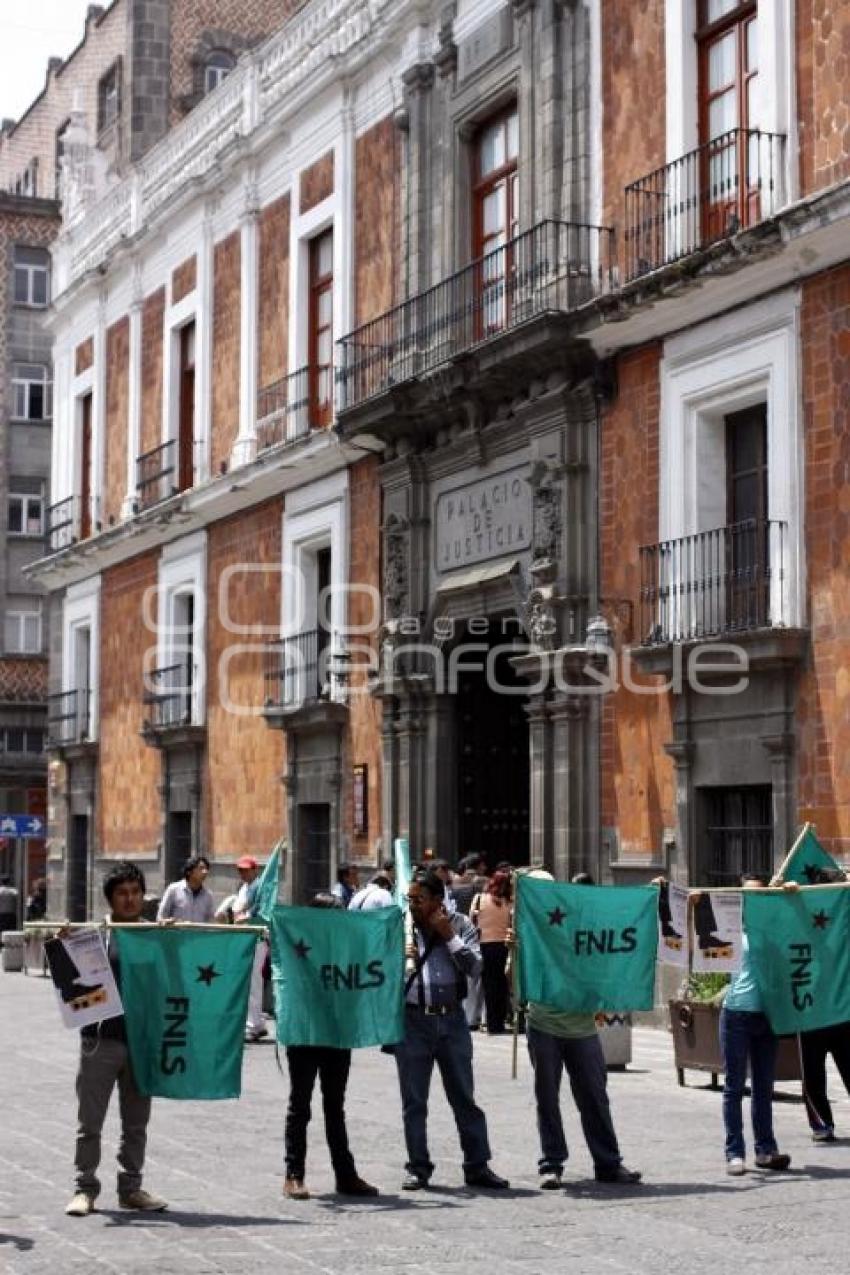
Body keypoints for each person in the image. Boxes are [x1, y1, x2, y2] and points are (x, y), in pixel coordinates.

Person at [521, 870, 641, 1188]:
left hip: (582, 1026)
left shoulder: (580, 925)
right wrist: (514, 953)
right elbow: (515, 988)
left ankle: (608, 1163)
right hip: (544, 1024)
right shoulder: (526, 932)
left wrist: (652, 892)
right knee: (547, 1098)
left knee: (595, 1096)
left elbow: (611, 941)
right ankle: (551, 1163)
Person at [394, 869, 509, 1192]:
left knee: (464, 1096)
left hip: (452, 1020)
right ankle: (418, 1166)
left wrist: (448, 936)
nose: (413, 905)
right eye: (409, 899)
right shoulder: (398, 927)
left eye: (419, 899)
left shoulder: (459, 924)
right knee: (414, 1100)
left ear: (435, 900)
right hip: (413, 1021)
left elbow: (475, 968)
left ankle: (477, 1164)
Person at [65, 861, 167, 1216]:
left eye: (136, 892)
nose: (130, 899)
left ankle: (131, 1188)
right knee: (90, 1122)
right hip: (100, 1042)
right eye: (122, 893)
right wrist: (65, 949)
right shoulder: (92, 937)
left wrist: (171, 940)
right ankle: (85, 1188)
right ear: (110, 899)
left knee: (136, 1122)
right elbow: (72, 991)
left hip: (141, 1042)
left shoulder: (154, 934)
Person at [284, 892, 379, 1200]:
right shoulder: (297, 946)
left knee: (334, 1106)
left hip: (337, 1033)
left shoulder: (347, 949)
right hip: (306, 1034)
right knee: (300, 1106)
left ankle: (345, 1174)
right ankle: (293, 1175)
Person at [719, 873, 791, 1176]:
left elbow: (802, 927)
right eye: (748, 895)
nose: (753, 899)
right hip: (736, 1015)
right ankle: (735, 1153)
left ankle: (765, 1150)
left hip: (767, 1017)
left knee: (763, 1087)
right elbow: (691, 928)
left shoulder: (776, 931)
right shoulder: (730, 929)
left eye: (760, 894)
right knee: (734, 1086)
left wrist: (790, 895)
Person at [794, 865, 850, 1142]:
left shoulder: (843, 919)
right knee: (813, 1074)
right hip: (811, 1011)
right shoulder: (799, 915)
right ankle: (821, 1124)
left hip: (840, 1009)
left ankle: (822, 1125)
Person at [470, 870, 512, 1035]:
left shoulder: (479, 899)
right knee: (502, 985)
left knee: (489, 985)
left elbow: (471, 922)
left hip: (485, 945)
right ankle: (499, 1022)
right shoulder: (509, 902)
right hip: (503, 946)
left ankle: (492, 1023)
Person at [233, 856, 267, 1042]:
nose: (242, 873)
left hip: (256, 936)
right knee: (249, 980)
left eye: (246, 870)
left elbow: (262, 912)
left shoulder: (261, 888)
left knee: (254, 980)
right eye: (240, 870)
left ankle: (253, 1025)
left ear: (255, 870)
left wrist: (245, 917)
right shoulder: (243, 887)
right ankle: (258, 1022)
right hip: (244, 936)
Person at [156, 855, 215, 923]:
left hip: (198, 933)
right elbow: (160, 917)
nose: (205, 872)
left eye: (206, 869)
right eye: (201, 868)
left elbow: (211, 921)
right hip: (177, 933)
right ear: (189, 872)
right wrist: (169, 921)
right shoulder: (173, 890)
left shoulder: (208, 895)